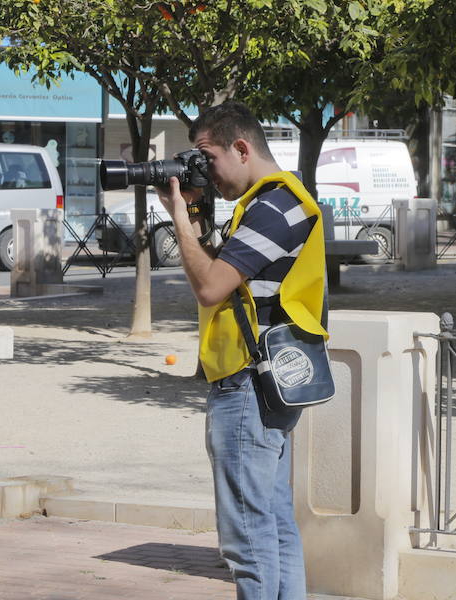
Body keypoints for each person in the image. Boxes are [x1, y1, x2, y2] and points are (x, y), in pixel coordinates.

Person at [156, 100, 327, 600]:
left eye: (207, 157)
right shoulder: (271, 204)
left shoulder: (276, 208)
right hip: (266, 382)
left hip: (249, 387)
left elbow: (210, 287)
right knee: (273, 525)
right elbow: (229, 279)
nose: (204, 170)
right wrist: (188, 212)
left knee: (247, 541)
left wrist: (180, 222)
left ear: (241, 147)